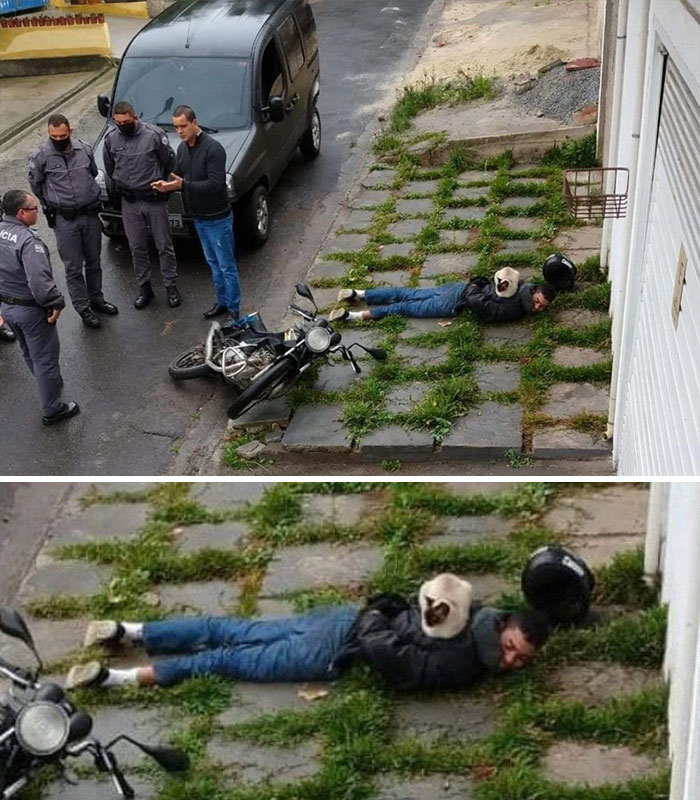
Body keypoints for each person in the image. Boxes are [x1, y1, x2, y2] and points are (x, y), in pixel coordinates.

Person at [65, 595, 550, 692]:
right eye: (512, 647)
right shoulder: (466, 662)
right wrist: (374, 625)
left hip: (343, 618)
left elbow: (415, 607)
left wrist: (379, 610)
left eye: (519, 661)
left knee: (230, 633)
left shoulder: (476, 612)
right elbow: (398, 665)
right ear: (506, 626)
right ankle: (117, 675)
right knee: (229, 656)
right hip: (334, 647)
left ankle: (128, 633)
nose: (509, 660)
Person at [151, 105, 241, 322]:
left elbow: (215, 184)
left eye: (183, 126)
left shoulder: (213, 149)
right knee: (213, 263)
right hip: (199, 218)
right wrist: (167, 183)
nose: (180, 131)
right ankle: (221, 302)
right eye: (176, 127)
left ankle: (234, 309)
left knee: (226, 265)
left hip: (218, 218)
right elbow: (178, 174)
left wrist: (182, 185)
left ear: (194, 123)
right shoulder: (183, 149)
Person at [28, 114, 118, 330]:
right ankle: (83, 307)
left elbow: (93, 173)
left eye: (62, 135)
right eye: (53, 136)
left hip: (89, 215)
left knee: (94, 261)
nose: (58, 139)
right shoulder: (41, 156)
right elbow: (36, 185)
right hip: (65, 219)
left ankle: (97, 299)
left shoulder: (84, 149)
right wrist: (51, 205)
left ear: (70, 131)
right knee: (73, 268)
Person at [0, 190, 79, 425]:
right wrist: (56, 302)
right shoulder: (27, 241)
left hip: (8, 307)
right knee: (45, 358)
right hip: (30, 309)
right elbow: (39, 282)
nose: (38, 212)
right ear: (21, 213)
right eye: (34, 209)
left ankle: (49, 382)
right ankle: (53, 409)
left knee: (29, 352)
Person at [102, 102, 181, 310]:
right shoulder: (111, 139)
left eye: (126, 122)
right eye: (119, 123)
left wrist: (162, 186)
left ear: (135, 117)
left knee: (164, 245)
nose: (123, 126)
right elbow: (110, 168)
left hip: (153, 199)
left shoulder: (153, 135)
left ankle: (171, 286)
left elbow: (169, 162)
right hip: (130, 202)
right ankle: (144, 287)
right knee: (137, 247)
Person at [329, 278, 556, 324]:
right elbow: (486, 311)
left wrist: (475, 285)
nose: (536, 308)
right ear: (535, 291)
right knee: (405, 306)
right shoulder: (516, 308)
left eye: (541, 308)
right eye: (537, 302)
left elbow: (491, 282)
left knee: (405, 294)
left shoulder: (519, 282)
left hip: (458, 287)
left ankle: (358, 294)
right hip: (454, 301)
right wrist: (472, 293)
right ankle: (352, 316)